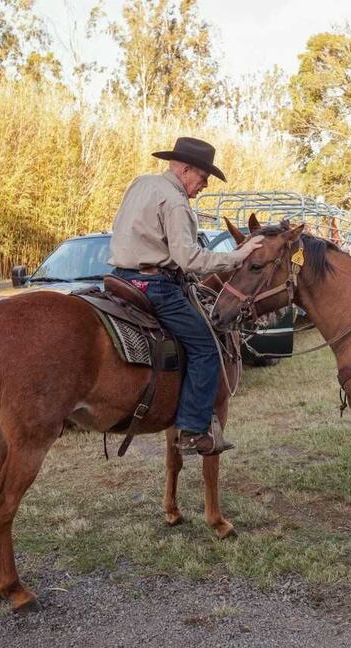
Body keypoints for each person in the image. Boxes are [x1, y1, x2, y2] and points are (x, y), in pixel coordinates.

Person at [108, 137, 262, 456]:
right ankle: (192, 429)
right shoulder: (176, 202)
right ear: (186, 170)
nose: (203, 186)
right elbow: (189, 259)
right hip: (155, 285)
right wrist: (239, 255)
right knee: (205, 346)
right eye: (203, 178)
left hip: (120, 277)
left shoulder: (141, 184)